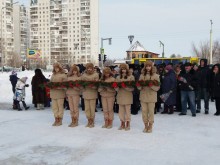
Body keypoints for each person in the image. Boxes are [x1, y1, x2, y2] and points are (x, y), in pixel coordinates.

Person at [138, 61, 160, 133]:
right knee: (144, 112)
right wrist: (139, 85)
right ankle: (145, 125)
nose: (148, 68)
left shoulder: (156, 76)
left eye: (149, 66)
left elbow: (157, 88)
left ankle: (150, 126)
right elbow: (139, 87)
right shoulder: (141, 75)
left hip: (151, 97)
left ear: (152, 67)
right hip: (143, 96)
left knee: (151, 112)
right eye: (146, 66)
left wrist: (152, 86)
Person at [116, 64, 135, 131]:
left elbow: (132, 88)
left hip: (128, 96)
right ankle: (122, 123)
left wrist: (125, 87)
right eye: (122, 69)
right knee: (121, 111)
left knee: (127, 111)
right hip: (120, 96)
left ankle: (128, 123)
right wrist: (116, 87)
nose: (123, 70)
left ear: (127, 69)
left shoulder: (131, 77)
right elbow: (117, 89)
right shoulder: (118, 77)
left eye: (124, 69)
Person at [81, 63, 99, 128]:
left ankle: (92, 120)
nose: (89, 69)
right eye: (88, 68)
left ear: (92, 68)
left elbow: (96, 84)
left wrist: (92, 85)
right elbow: (81, 84)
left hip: (93, 93)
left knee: (92, 108)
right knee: (87, 108)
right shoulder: (83, 75)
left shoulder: (96, 74)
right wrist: (83, 87)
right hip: (86, 93)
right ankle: (88, 120)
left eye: (90, 68)